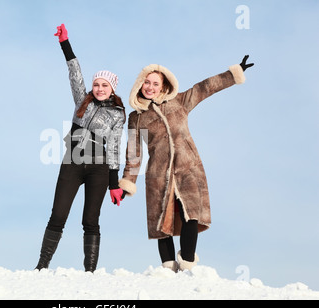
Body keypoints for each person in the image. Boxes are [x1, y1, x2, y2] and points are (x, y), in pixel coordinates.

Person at [119, 56, 254, 272]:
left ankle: (187, 265)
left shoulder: (180, 101)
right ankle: (167, 270)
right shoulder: (137, 118)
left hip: (188, 168)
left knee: (191, 213)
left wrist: (233, 73)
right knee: (161, 221)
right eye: (147, 82)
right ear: (140, 84)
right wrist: (127, 182)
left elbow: (205, 88)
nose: (151, 87)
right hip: (158, 173)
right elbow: (134, 153)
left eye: (156, 83)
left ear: (163, 86)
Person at [35, 24, 126, 272]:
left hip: (99, 168)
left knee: (90, 220)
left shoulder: (118, 114)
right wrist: (65, 43)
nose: (99, 88)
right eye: (96, 84)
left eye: (104, 85)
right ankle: (42, 266)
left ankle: (90, 273)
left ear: (112, 88)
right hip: (73, 162)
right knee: (58, 215)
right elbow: (74, 73)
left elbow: (116, 146)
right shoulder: (81, 101)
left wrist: (114, 183)